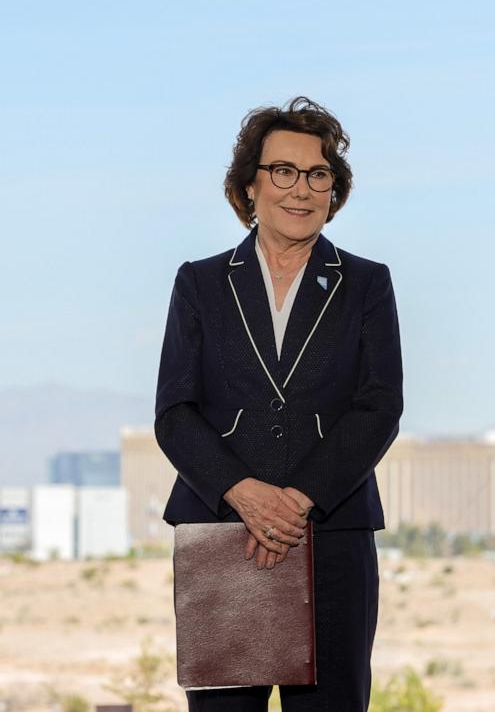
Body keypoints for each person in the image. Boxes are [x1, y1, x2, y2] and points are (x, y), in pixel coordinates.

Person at [154, 96, 403, 711]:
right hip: (223, 531)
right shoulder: (201, 281)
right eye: (283, 171)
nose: (302, 189)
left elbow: (379, 407)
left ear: (334, 190)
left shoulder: (367, 282)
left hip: (331, 531)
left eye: (318, 174)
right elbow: (174, 413)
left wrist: (293, 503)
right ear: (249, 187)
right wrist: (244, 493)